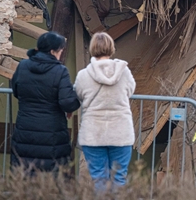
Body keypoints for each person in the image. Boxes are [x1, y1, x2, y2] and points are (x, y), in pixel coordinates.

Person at [11, 31, 80, 172]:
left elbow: (16, 90)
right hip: (52, 132)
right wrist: (75, 100)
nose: (61, 53)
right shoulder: (60, 71)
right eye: (60, 50)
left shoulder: (23, 66)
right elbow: (67, 102)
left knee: (24, 172)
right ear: (53, 51)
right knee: (50, 175)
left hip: (25, 129)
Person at [74, 32, 136, 191]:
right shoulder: (124, 72)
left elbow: (78, 94)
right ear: (111, 48)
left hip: (94, 134)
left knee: (99, 179)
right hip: (120, 132)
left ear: (92, 49)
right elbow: (130, 91)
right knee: (119, 178)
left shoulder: (83, 75)